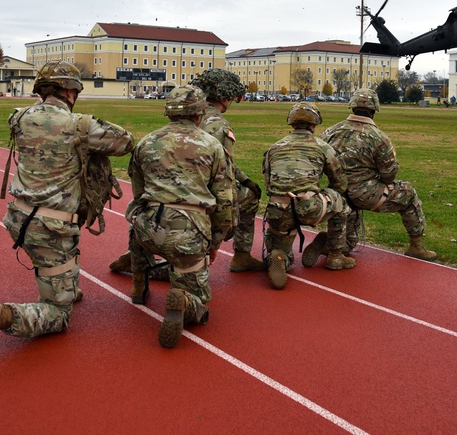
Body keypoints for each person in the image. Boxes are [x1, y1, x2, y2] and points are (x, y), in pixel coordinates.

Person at [0, 62, 132, 361]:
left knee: (62, 269)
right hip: (52, 228)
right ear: (69, 90)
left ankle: (64, 285)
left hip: (18, 218)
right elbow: (125, 142)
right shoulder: (80, 126)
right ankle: (6, 316)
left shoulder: (19, 117)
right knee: (60, 314)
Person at [108, 68, 263, 275]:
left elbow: (139, 187)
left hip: (161, 196)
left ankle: (138, 251)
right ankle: (240, 254)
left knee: (149, 201)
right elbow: (224, 169)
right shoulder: (219, 123)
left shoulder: (176, 118)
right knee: (249, 196)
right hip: (198, 192)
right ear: (225, 96)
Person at [124, 85, 233, 348]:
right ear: (199, 115)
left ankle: (139, 286)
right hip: (189, 234)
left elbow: (138, 193)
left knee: (137, 221)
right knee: (201, 297)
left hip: (149, 230)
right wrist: (215, 242)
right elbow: (225, 202)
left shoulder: (146, 142)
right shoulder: (212, 146)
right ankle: (185, 302)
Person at [322, 88, 437, 262]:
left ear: (351, 106)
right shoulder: (378, 137)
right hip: (365, 194)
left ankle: (330, 245)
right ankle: (417, 246)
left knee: (349, 243)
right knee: (408, 193)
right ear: (374, 109)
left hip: (337, 195)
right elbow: (389, 175)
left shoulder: (330, 132)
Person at [262, 101, 355, 290]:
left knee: (280, 245)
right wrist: (322, 195)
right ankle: (335, 256)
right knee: (341, 202)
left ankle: (281, 256)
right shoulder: (323, 147)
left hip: (278, 210)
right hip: (310, 207)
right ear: (314, 125)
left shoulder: (274, 148)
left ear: (291, 124)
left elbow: (269, 185)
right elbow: (340, 183)